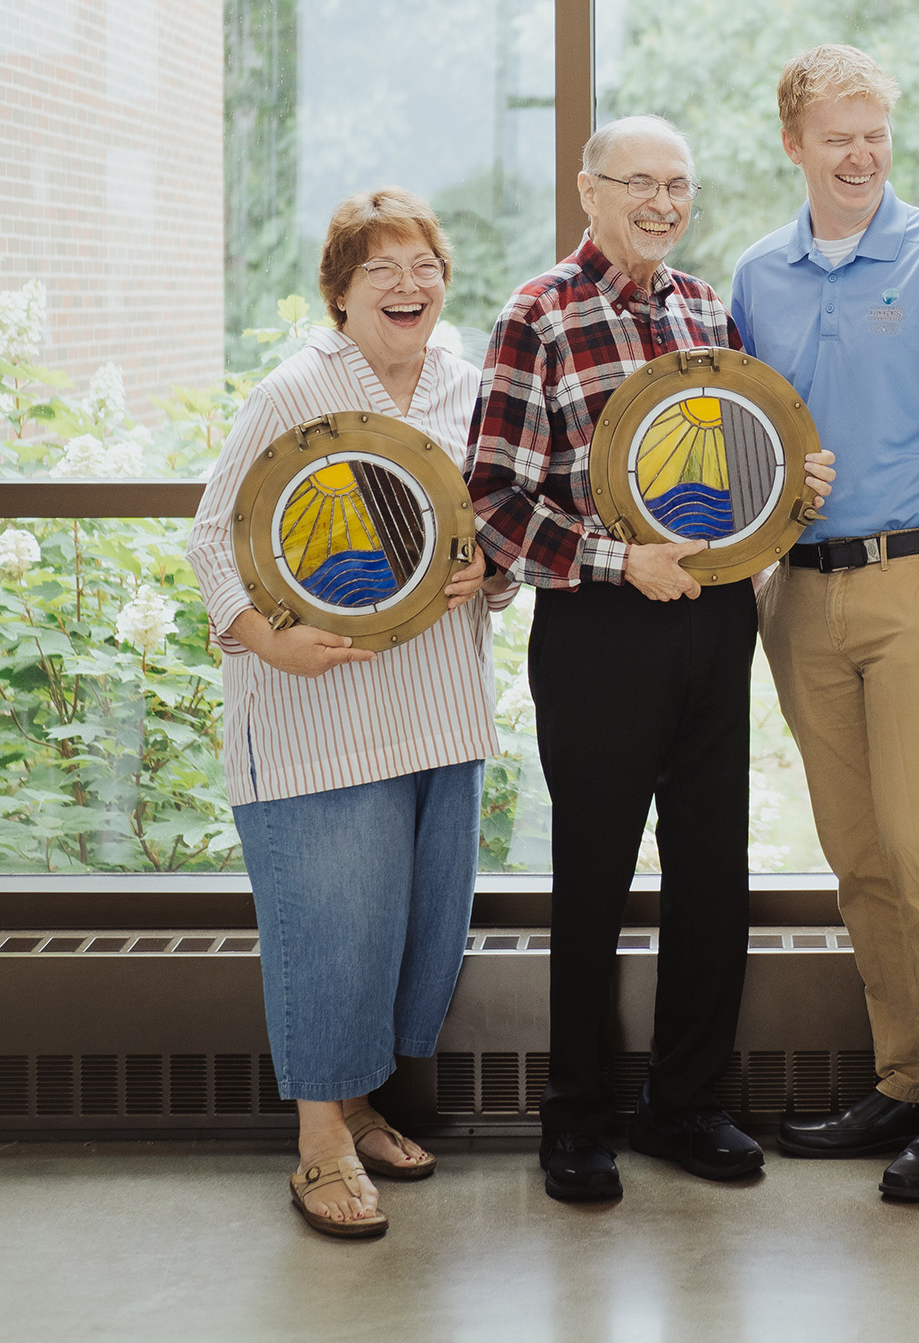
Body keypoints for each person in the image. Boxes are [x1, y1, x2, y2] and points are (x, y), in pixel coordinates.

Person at [465, 115, 835, 1203]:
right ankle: (576, 1121)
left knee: (714, 876)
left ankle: (687, 1106)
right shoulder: (537, 315)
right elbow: (494, 503)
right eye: (641, 183)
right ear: (590, 190)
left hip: (715, 623)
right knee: (593, 880)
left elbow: (735, 468)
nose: (664, 203)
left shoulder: (709, 312)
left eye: (679, 185)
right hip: (599, 629)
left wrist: (793, 489)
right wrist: (622, 561)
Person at [730, 45, 919, 1202]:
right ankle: (904, 1080)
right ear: (793, 145)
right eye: (837, 138)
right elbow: (745, 434)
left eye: (876, 134)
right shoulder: (758, 275)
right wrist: (761, 575)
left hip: (916, 582)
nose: (861, 156)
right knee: (857, 856)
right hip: (800, 594)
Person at [187, 188, 514, 1238]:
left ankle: (362, 1106)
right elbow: (212, 536)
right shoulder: (296, 392)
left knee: (407, 929)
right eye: (381, 270)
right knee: (331, 927)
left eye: (424, 267)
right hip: (317, 712)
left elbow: (491, 530)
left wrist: (490, 573)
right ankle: (320, 1143)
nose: (408, 286)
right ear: (339, 294)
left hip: (437, 708)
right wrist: (267, 637)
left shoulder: (470, 388)